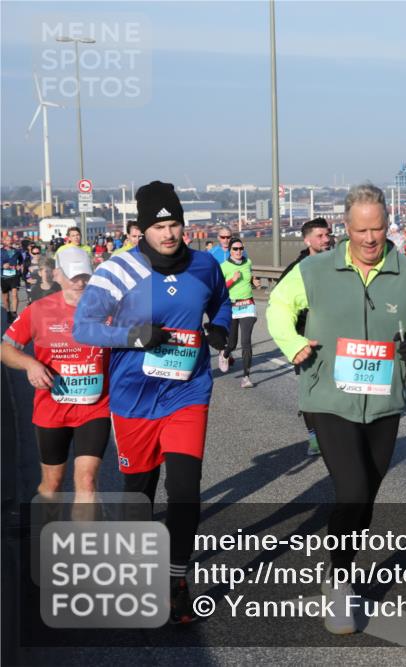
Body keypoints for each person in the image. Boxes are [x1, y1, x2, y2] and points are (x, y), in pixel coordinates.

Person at [267, 183, 406, 635]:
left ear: (388, 225)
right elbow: (279, 307)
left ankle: (339, 566)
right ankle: (340, 583)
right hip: (328, 397)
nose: (370, 238)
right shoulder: (316, 269)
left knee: (367, 495)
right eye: (361, 229)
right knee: (353, 487)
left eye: (378, 228)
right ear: (346, 228)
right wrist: (293, 344)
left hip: (384, 402)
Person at [73, 180, 231, 625]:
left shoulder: (204, 266)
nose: (168, 233)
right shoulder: (117, 271)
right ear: (142, 229)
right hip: (134, 400)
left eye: (174, 223)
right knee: (139, 491)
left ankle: (176, 579)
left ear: (185, 226)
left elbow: (221, 302)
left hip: (188, 391)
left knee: (183, 491)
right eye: (158, 225)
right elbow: (84, 328)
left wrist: (219, 328)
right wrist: (131, 336)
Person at [2, 247, 110, 503]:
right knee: (52, 484)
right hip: (51, 410)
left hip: (94, 409)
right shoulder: (39, 310)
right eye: (74, 276)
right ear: (58, 275)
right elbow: (5, 349)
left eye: (85, 275)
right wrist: (30, 364)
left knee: (87, 481)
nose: (80, 282)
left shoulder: (108, 310)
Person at [275, 217, 333, 456]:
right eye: (320, 236)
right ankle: (314, 436)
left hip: (335, 337)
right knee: (311, 390)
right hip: (307, 340)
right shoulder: (297, 269)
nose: (326, 239)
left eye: (328, 234)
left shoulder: (340, 263)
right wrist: (294, 341)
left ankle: (335, 431)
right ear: (307, 239)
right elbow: (280, 305)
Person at [218, 238, 261, 387]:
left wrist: (254, 283)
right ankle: (225, 354)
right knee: (232, 343)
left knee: (246, 342)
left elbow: (249, 279)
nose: (238, 251)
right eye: (235, 249)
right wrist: (232, 280)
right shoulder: (224, 267)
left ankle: (246, 377)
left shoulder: (248, 263)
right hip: (231, 306)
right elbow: (219, 289)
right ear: (230, 250)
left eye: (240, 248)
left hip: (247, 304)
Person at [2, 236, 24, 321]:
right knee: (6, 297)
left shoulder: (16, 251)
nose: (9, 241)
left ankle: (14, 313)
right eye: (7, 240)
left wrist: (19, 265)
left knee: (15, 294)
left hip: (14, 276)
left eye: (10, 240)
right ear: (3, 241)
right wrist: (2, 266)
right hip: (3, 277)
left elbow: (21, 260)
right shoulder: (1, 251)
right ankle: (8, 312)